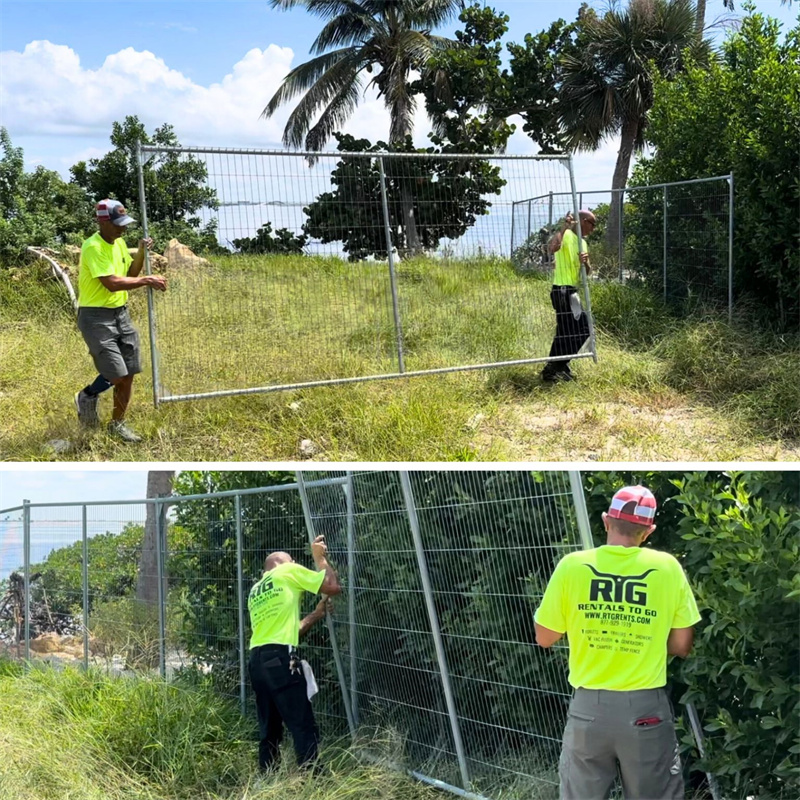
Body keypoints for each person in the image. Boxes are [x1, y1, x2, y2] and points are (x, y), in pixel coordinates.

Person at [534, 486, 702, 800]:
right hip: (646, 710)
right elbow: (681, 645)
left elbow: (544, 637)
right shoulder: (667, 568)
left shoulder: (573, 566)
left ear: (606, 521)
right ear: (648, 531)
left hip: (588, 710)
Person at [74, 199, 167, 442]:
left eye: (124, 224)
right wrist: (149, 280)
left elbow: (130, 275)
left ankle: (117, 424)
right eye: (117, 224)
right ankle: (88, 395)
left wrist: (142, 251)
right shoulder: (93, 246)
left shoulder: (119, 243)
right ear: (102, 221)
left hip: (120, 314)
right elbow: (112, 283)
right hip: (95, 317)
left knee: (129, 372)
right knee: (115, 374)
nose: (122, 229)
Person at [248, 534, 342, 772]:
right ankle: (314, 782)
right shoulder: (287, 571)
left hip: (257, 661)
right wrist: (319, 558)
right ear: (282, 563)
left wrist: (316, 614)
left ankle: (267, 779)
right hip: (280, 658)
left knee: (269, 728)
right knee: (301, 723)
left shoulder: (256, 591)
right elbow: (332, 586)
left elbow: (288, 631)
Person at [541, 209, 596, 383]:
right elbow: (552, 248)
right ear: (582, 221)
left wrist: (585, 262)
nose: (593, 229)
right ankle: (556, 366)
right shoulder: (565, 235)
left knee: (566, 332)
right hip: (562, 290)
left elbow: (587, 272)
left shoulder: (583, 243)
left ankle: (556, 366)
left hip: (571, 291)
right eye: (592, 224)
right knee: (583, 327)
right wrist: (564, 227)